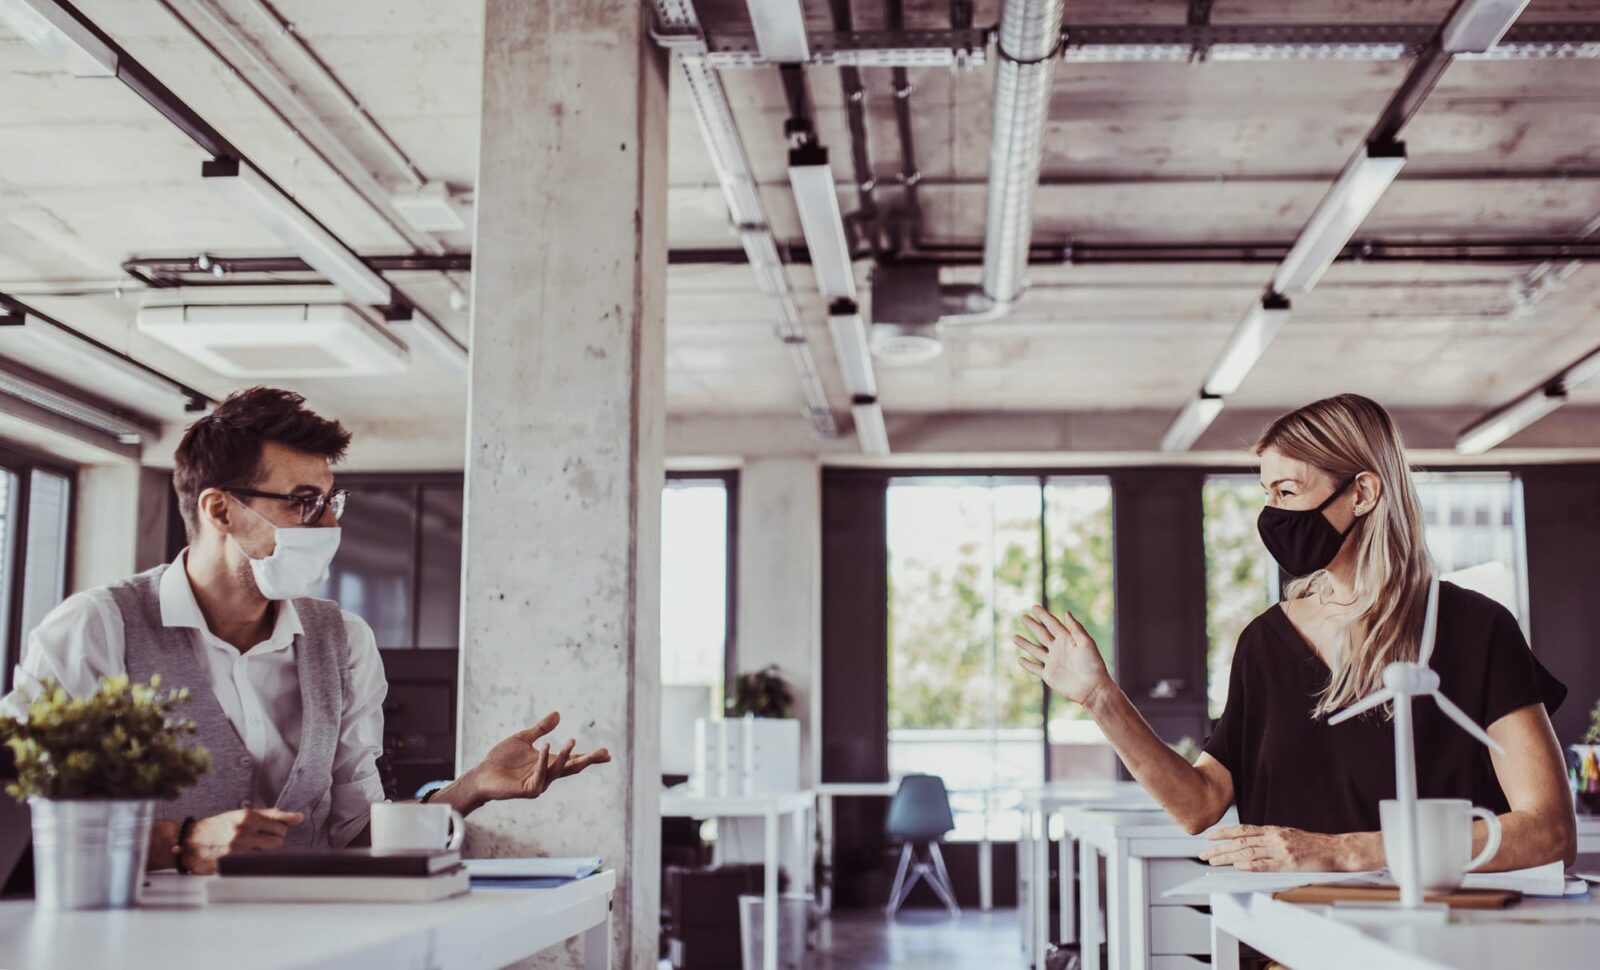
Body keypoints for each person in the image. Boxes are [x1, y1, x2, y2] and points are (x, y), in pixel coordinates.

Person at [0, 387, 609, 874]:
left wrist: (470, 787)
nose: (324, 523)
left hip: (310, 939)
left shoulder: (344, 642)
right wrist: (180, 842)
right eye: (302, 501)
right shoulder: (97, 628)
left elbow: (352, 834)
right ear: (219, 509)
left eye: (329, 502)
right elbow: (21, 818)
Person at [1016, 394, 1576, 872]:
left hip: (1438, 938)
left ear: (1362, 493)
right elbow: (1199, 804)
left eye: (1288, 492)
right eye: (1266, 494)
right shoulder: (1264, 643)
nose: (1272, 514)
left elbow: (1550, 831)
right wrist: (1101, 698)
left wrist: (1344, 852)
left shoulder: (1474, 629)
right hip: (1288, 938)